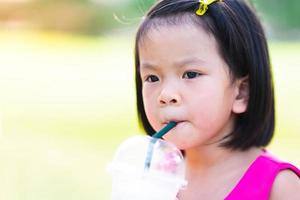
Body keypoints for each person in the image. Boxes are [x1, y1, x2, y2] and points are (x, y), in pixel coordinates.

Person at [133, 0, 300, 199]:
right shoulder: (154, 175)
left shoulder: (280, 186)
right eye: (152, 78)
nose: (166, 95)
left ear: (241, 93)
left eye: (191, 74)